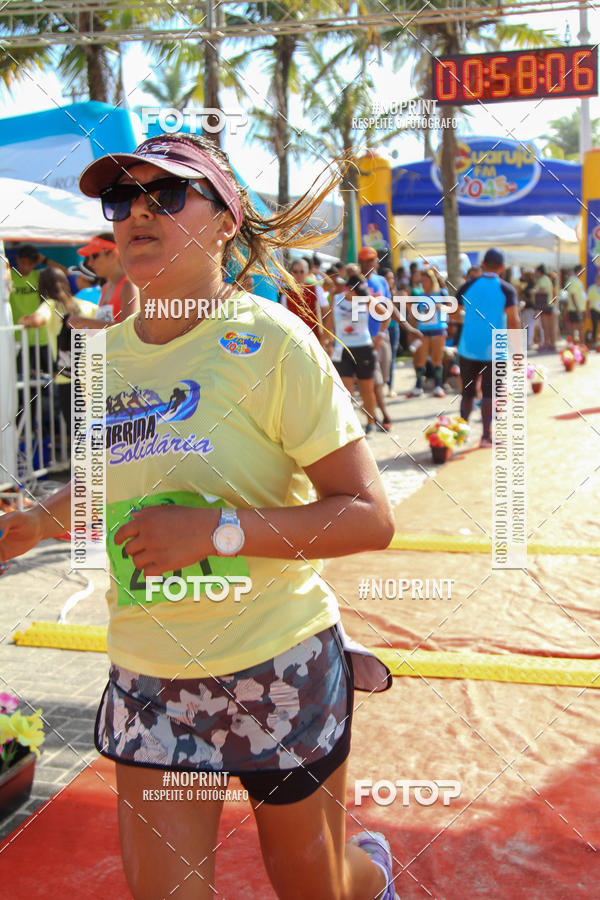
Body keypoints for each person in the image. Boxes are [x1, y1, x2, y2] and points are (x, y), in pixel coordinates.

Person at [0, 133, 398, 900]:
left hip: (277, 662)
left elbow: (370, 516)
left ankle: (370, 869)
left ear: (225, 219)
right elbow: (117, 481)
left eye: (168, 196)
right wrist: (35, 523)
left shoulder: (273, 343)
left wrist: (218, 532)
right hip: (152, 676)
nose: (137, 215)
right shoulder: (105, 356)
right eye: (122, 200)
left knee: (315, 887)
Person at [456, 248, 521, 447]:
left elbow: (453, 313)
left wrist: (470, 320)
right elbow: (513, 320)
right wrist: (518, 352)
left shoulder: (468, 285)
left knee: (467, 394)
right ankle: (485, 436)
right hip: (496, 348)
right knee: (490, 394)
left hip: (468, 347)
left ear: (483, 264)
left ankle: (461, 433)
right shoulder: (507, 289)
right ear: (502, 267)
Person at [23, 268, 97, 433]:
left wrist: (24, 320)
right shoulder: (86, 305)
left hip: (68, 378)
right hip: (95, 375)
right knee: (95, 431)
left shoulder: (50, 305)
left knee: (78, 434)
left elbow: (36, 320)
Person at [68, 233, 139, 328]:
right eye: (88, 258)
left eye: (94, 256)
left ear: (114, 254)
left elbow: (128, 329)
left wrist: (85, 322)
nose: (90, 263)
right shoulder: (106, 287)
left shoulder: (129, 285)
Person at [407, 268, 448, 398]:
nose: (423, 283)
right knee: (420, 359)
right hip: (423, 330)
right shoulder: (420, 296)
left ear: (431, 281)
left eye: (425, 280)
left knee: (437, 359)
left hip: (438, 330)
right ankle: (418, 387)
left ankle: (438, 386)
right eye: (422, 281)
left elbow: (453, 309)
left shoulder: (441, 293)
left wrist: (440, 307)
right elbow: (414, 314)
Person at [282, 258, 330, 348]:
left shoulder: (316, 289)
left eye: (302, 271)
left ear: (307, 273)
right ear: (291, 273)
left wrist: (325, 337)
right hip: (294, 340)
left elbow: (327, 313)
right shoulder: (286, 294)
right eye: (295, 271)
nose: (298, 274)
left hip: (314, 339)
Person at [533, 263, 555, 351]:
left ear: (539, 272)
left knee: (545, 326)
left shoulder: (542, 280)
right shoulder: (548, 279)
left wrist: (534, 291)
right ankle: (551, 344)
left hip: (544, 305)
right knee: (550, 326)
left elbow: (542, 290)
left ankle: (546, 343)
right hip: (550, 305)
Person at [564, 266, 586, 340]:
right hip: (576, 308)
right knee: (579, 327)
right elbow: (572, 295)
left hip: (579, 308)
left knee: (580, 327)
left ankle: (578, 346)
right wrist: (578, 309)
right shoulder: (573, 280)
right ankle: (578, 346)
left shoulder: (576, 280)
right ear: (578, 271)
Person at [587, 269, 600, 346]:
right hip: (594, 310)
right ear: (596, 279)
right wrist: (588, 312)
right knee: (594, 326)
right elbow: (588, 301)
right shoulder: (591, 288)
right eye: (598, 279)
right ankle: (594, 342)